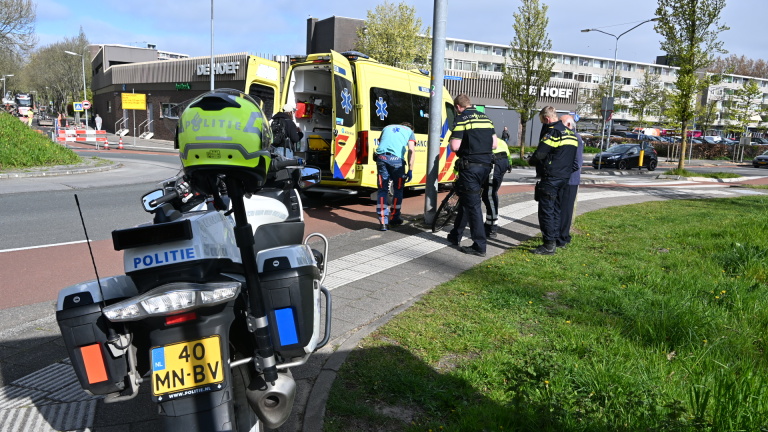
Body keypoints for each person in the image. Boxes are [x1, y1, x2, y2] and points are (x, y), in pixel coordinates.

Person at [447, 94, 497, 257]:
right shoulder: (486, 118)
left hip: (470, 167)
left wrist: (451, 141)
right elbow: (494, 144)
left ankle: (479, 245)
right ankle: (456, 235)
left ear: (458, 107)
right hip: (486, 166)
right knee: (468, 201)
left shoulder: (462, 118)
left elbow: (455, 146)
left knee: (473, 205)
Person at [529, 106, 578, 255]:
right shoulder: (571, 135)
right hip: (564, 178)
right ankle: (555, 240)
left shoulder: (553, 133)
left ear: (547, 118)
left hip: (551, 178)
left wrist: (531, 161)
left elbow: (540, 154)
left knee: (546, 211)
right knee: (557, 209)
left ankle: (548, 244)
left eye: (543, 121)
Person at [374, 122, 416, 231]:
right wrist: (410, 169)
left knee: (382, 190)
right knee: (398, 189)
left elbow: (381, 142)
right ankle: (394, 217)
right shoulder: (410, 132)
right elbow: (411, 150)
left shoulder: (387, 127)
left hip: (381, 158)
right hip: (397, 161)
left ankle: (383, 221)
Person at [556, 114, 584, 249]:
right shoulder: (567, 137)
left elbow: (577, 163)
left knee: (566, 210)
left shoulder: (576, 139)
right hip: (564, 179)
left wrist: (561, 173)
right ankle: (559, 235)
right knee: (560, 209)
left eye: (561, 123)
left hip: (570, 180)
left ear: (568, 125)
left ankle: (563, 237)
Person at [482, 137, 511, 238]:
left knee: (489, 195)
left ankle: (492, 228)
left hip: (495, 163)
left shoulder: (482, 138)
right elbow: (508, 153)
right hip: (502, 163)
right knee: (489, 193)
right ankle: (489, 223)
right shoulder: (499, 140)